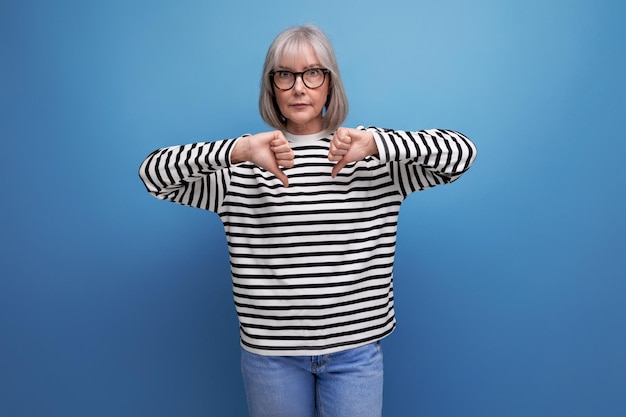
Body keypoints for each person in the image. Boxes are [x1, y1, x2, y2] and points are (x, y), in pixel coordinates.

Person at [139, 24, 476, 417]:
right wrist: (240, 149)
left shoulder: (372, 157)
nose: (299, 87)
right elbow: (153, 175)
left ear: (330, 84)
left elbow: (461, 154)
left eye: (313, 73)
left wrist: (378, 143)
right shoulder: (243, 164)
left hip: (356, 353)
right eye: (285, 74)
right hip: (271, 357)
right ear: (272, 86)